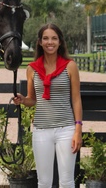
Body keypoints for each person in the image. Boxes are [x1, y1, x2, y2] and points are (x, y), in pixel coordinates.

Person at [13, 23, 83, 188]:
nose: (49, 42)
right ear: (39, 42)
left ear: (60, 42)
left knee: (66, 182)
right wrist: (23, 100)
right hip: (41, 130)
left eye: (54, 38)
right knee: (43, 182)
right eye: (45, 38)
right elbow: (33, 99)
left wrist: (78, 129)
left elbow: (76, 99)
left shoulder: (70, 66)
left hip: (66, 129)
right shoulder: (32, 69)